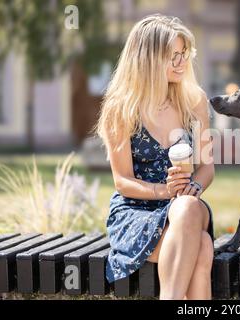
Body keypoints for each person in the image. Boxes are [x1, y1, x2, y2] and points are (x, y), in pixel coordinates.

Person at [94, 14, 215, 300]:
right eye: (174, 56)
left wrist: (191, 188)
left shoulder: (194, 100)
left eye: (184, 55)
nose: (182, 63)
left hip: (187, 207)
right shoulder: (120, 109)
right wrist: (166, 191)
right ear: (148, 58)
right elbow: (122, 181)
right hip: (136, 211)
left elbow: (207, 167)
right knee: (203, 247)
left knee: (186, 207)